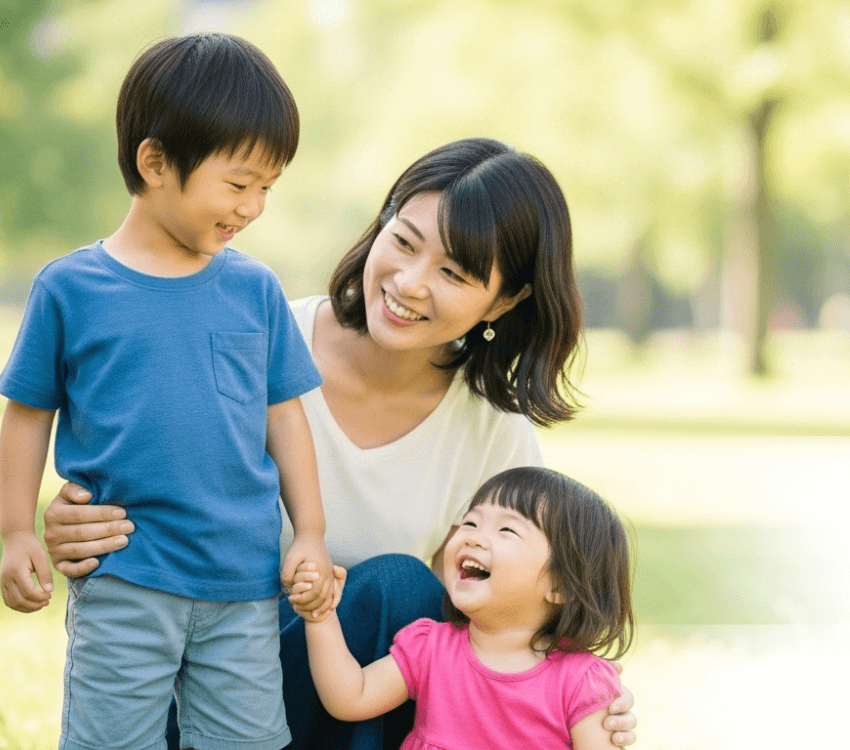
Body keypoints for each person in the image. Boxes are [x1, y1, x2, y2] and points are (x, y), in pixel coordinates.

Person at [42, 137, 639, 748]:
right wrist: (79, 522)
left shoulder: (493, 434)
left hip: (367, 707)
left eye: (453, 272)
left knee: (402, 593)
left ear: (506, 299)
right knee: (396, 589)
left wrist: (583, 693)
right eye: (404, 242)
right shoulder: (256, 338)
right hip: (206, 688)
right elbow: (131, 473)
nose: (408, 283)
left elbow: (514, 608)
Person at [0, 33, 333, 750]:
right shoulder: (71, 289)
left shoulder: (255, 289)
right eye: (239, 184)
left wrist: (308, 531)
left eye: (268, 188)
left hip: (241, 585)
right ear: (155, 162)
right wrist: (17, 530)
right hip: (125, 575)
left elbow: (286, 416)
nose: (253, 207)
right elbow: (26, 414)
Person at [290, 466, 634, 749]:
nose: (473, 536)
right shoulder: (430, 646)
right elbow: (352, 697)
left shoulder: (580, 682)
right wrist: (321, 617)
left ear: (560, 585)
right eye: (470, 522)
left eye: (506, 530)